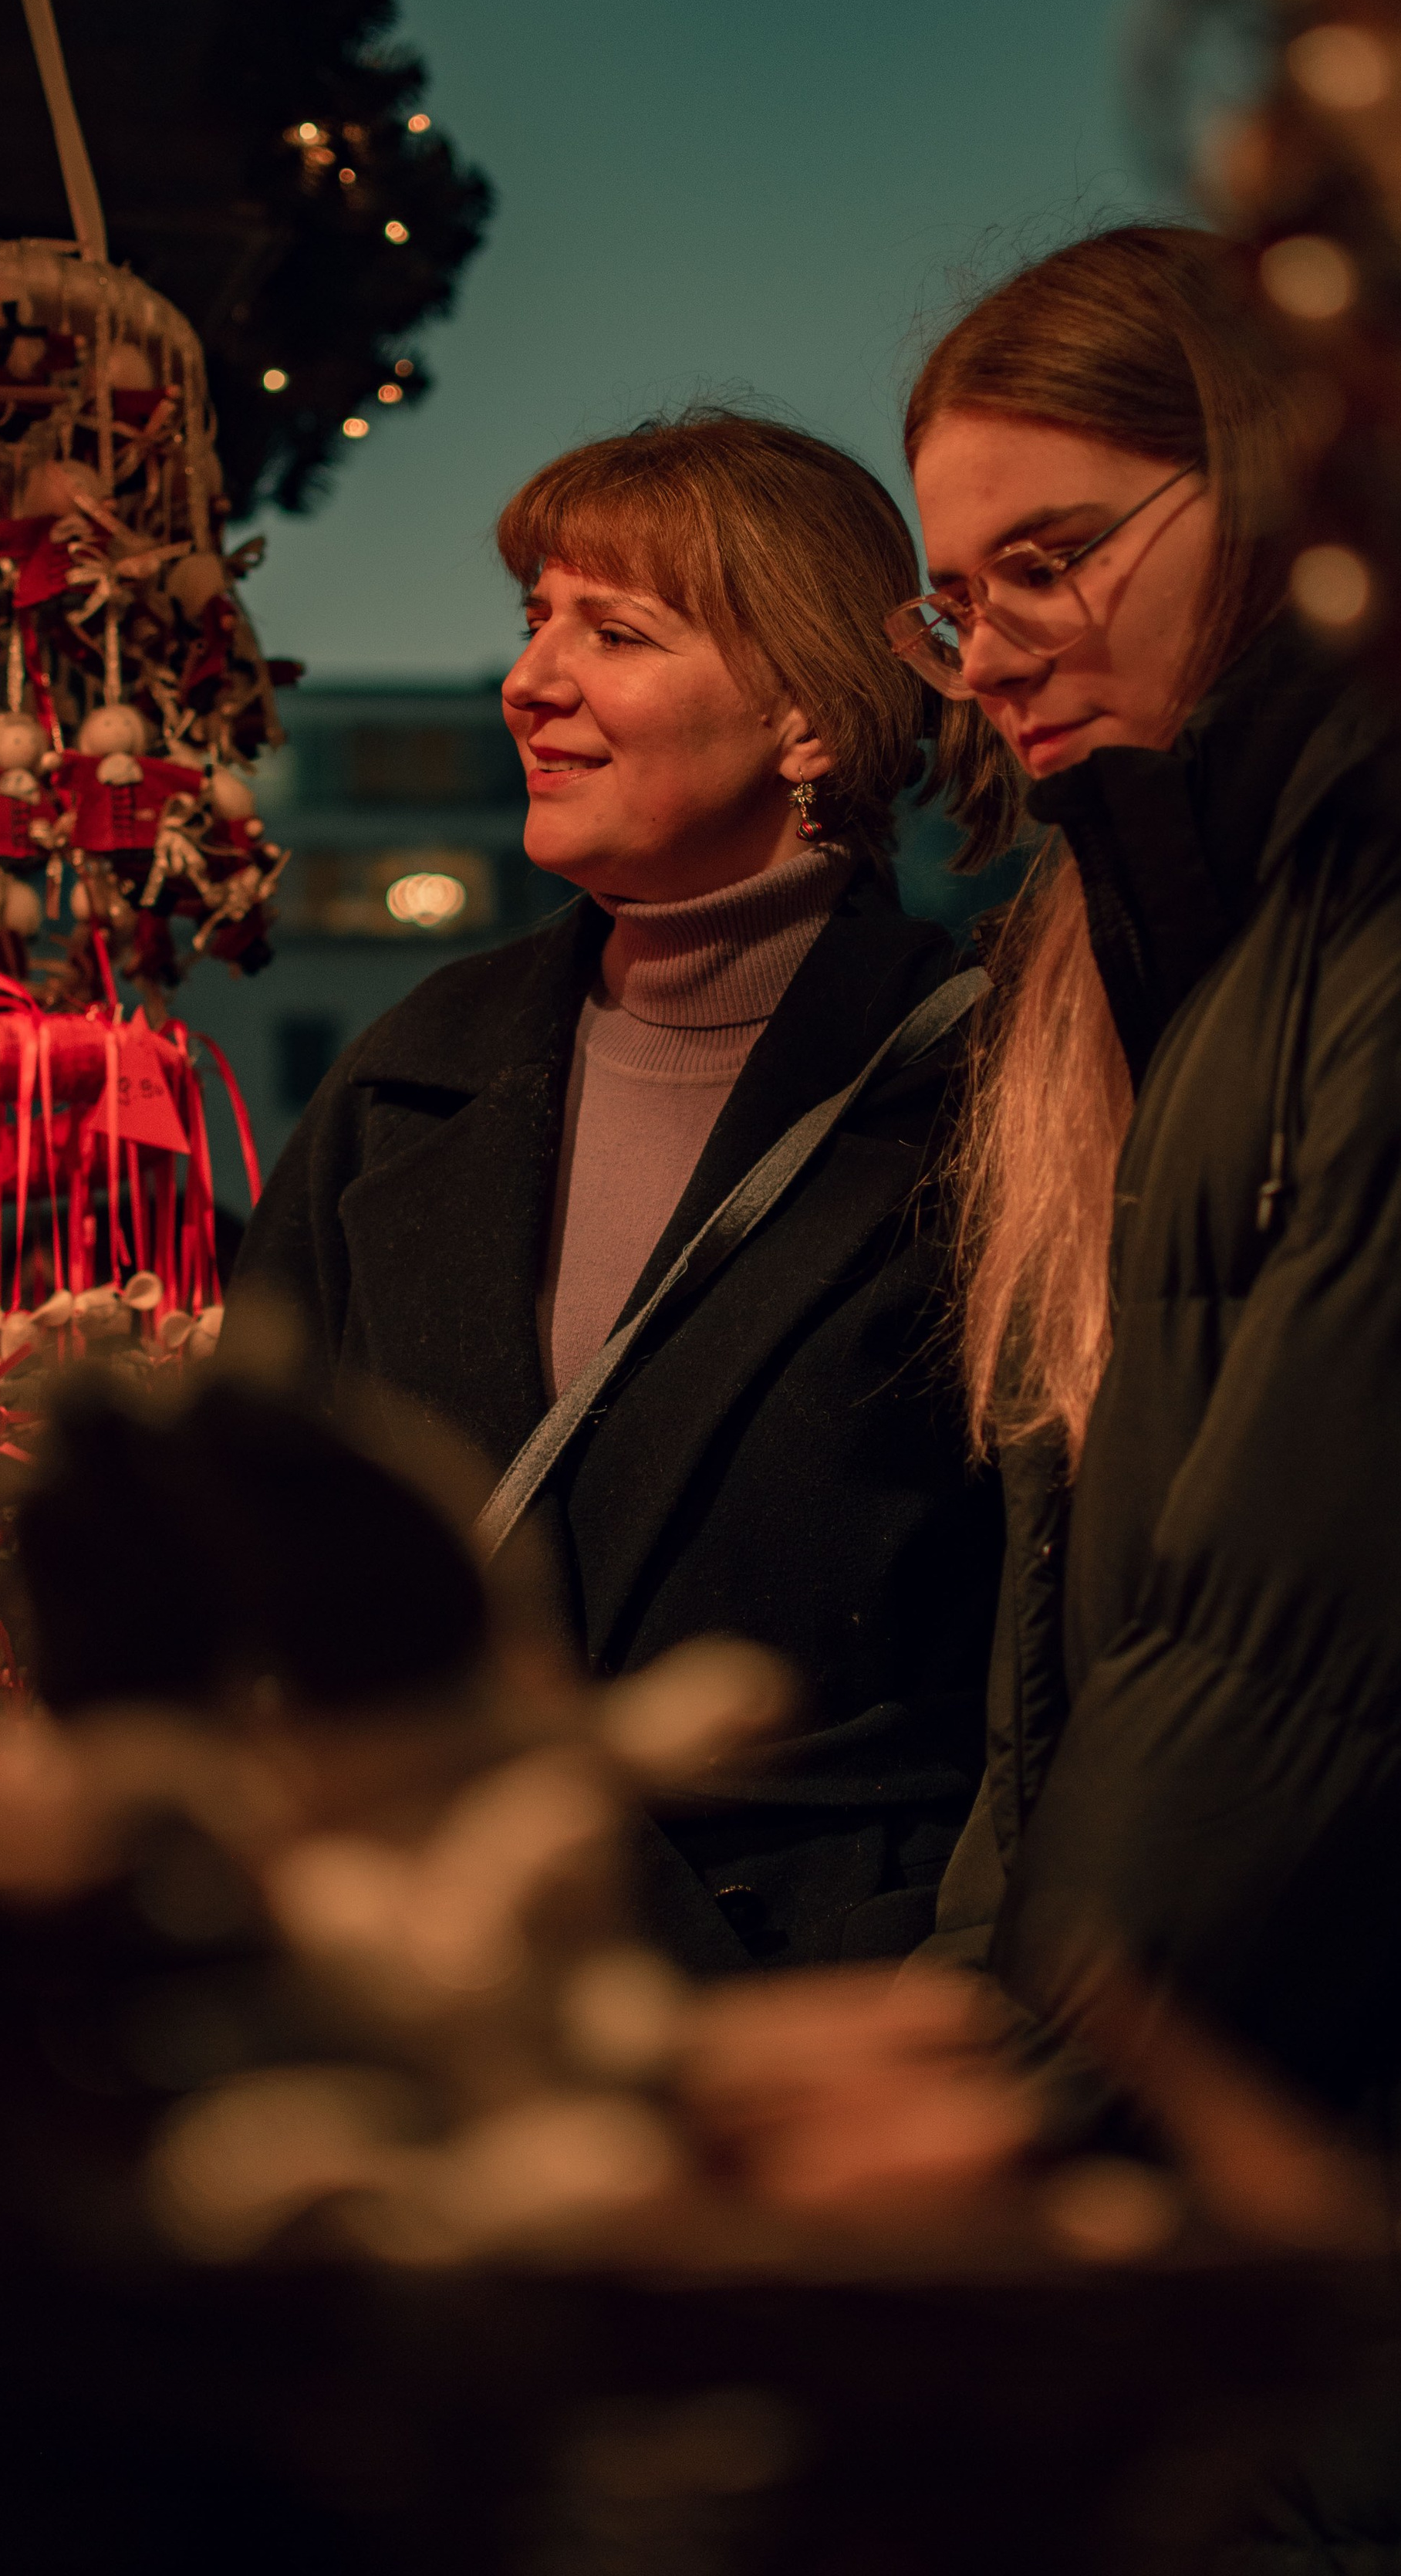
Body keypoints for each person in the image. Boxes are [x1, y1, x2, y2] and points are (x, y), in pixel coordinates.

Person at [899, 224, 1401, 2574]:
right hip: (1307, 2192)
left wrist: (1007, 2095)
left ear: (1281, 486)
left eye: (1053, 556)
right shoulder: (1163, 949)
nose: (998, 650)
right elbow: (1067, 1669)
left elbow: (1324, 1630)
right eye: (959, 595)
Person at [235, 410, 1003, 1976]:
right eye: (533, 623)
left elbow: (1068, 1645)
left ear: (806, 713)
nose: (529, 681)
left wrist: (964, 1991)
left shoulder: (994, 1093)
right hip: (432, 1999)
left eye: (615, 631)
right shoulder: (408, 1079)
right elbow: (241, 1531)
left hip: (823, 2013)